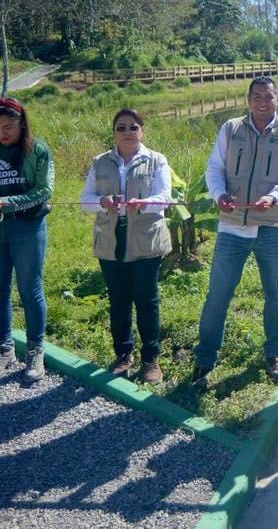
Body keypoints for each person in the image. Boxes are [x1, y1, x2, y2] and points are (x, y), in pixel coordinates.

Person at [193, 76, 278, 389]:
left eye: (268, 96)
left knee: (276, 293)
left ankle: (275, 352)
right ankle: (204, 360)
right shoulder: (230, 128)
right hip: (232, 227)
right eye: (256, 96)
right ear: (247, 99)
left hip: (272, 225)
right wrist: (219, 195)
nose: (261, 102)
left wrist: (274, 196)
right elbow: (214, 168)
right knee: (218, 294)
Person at [0, 97, 55, 383]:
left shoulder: (37, 151)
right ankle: (4, 349)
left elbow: (44, 190)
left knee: (31, 289)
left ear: (21, 122)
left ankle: (35, 351)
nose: (1, 133)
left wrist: (8, 202)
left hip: (27, 228)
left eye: (7, 126)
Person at [82, 107, 172, 383]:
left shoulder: (156, 160)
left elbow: (165, 198)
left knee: (147, 299)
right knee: (118, 300)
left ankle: (150, 359)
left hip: (146, 238)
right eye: (121, 127)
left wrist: (143, 203)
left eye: (133, 127)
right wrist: (102, 202)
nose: (127, 132)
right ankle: (123, 355)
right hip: (111, 239)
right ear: (114, 132)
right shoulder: (100, 162)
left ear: (142, 130)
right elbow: (85, 200)